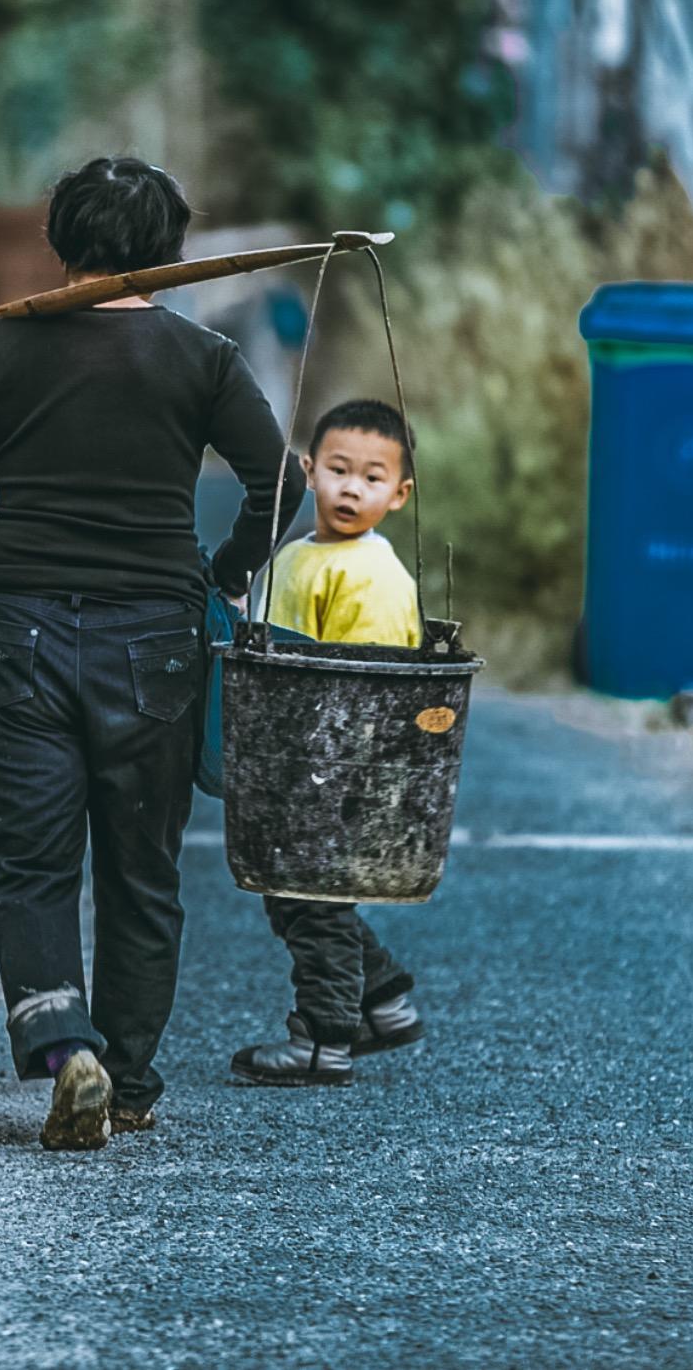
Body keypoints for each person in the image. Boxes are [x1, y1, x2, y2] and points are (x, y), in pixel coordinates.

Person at [0, 157, 304, 1151]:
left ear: (60, 242)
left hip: (22, 631)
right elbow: (280, 485)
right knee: (141, 868)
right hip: (156, 637)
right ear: (171, 251)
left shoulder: (3, 346)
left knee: (28, 860)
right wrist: (225, 573)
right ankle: (135, 1082)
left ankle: (70, 1053)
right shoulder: (202, 356)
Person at [230, 398, 426, 1088]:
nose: (351, 487)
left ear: (399, 494)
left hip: (338, 763)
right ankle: (384, 998)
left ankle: (324, 1035)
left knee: (311, 898)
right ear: (308, 471)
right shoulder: (297, 557)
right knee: (295, 891)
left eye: (372, 477)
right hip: (292, 758)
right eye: (338, 469)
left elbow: (364, 687)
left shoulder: (371, 574)